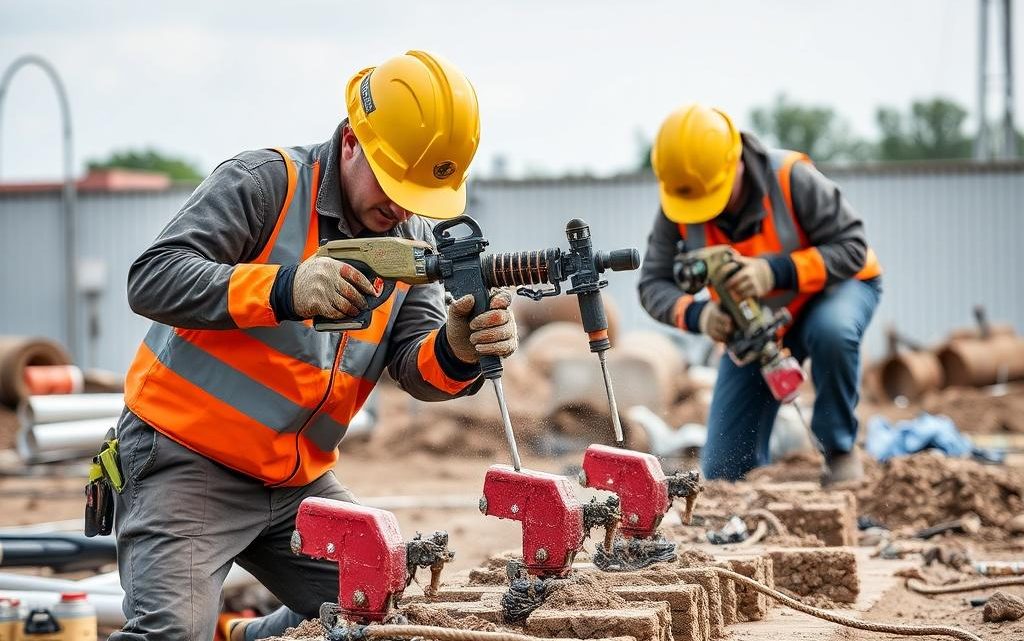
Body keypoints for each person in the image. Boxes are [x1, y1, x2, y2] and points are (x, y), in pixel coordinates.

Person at [110, 51, 518, 641]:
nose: (402, 209)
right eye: (393, 183)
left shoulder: (411, 238)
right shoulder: (264, 185)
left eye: (417, 196)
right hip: (187, 460)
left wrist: (456, 349)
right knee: (171, 632)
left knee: (377, 604)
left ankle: (255, 637)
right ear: (352, 141)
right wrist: (284, 287)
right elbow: (152, 278)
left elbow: (414, 366)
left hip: (296, 478)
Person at [638, 103, 882, 485]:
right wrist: (699, 315)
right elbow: (653, 284)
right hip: (754, 322)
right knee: (723, 472)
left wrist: (774, 271)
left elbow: (851, 247)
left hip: (834, 291)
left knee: (832, 332)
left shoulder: (791, 178)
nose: (702, 210)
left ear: (735, 162)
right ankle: (748, 499)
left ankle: (839, 451)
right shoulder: (680, 203)